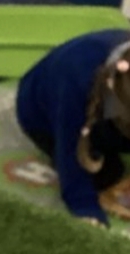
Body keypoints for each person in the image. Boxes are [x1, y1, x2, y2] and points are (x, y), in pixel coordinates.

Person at [15, 28, 130, 224]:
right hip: (42, 115)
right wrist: (87, 210)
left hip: (110, 106)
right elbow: (71, 149)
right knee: (105, 173)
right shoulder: (77, 83)